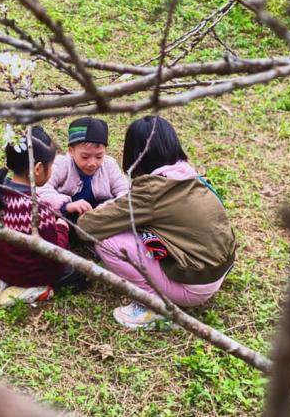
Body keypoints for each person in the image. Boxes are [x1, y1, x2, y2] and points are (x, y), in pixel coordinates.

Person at [78, 116, 236, 328]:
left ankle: (157, 305)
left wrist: (97, 210)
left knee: (107, 242)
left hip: (194, 286)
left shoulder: (152, 190)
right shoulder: (187, 174)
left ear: (135, 152)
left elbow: (88, 227)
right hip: (217, 270)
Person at [0, 126, 87, 306]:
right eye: (51, 165)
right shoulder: (37, 210)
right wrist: (61, 226)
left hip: (1, 265)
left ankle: (1, 279)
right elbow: (54, 254)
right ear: (38, 168)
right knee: (80, 275)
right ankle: (36, 289)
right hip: (30, 273)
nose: (52, 169)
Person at [38, 117, 128, 238]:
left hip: (99, 216)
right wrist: (65, 206)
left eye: (99, 156)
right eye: (85, 157)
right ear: (70, 151)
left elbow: (126, 192)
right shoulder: (62, 164)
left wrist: (106, 207)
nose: (92, 163)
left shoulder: (109, 165)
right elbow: (41, 188)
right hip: (66, 215)